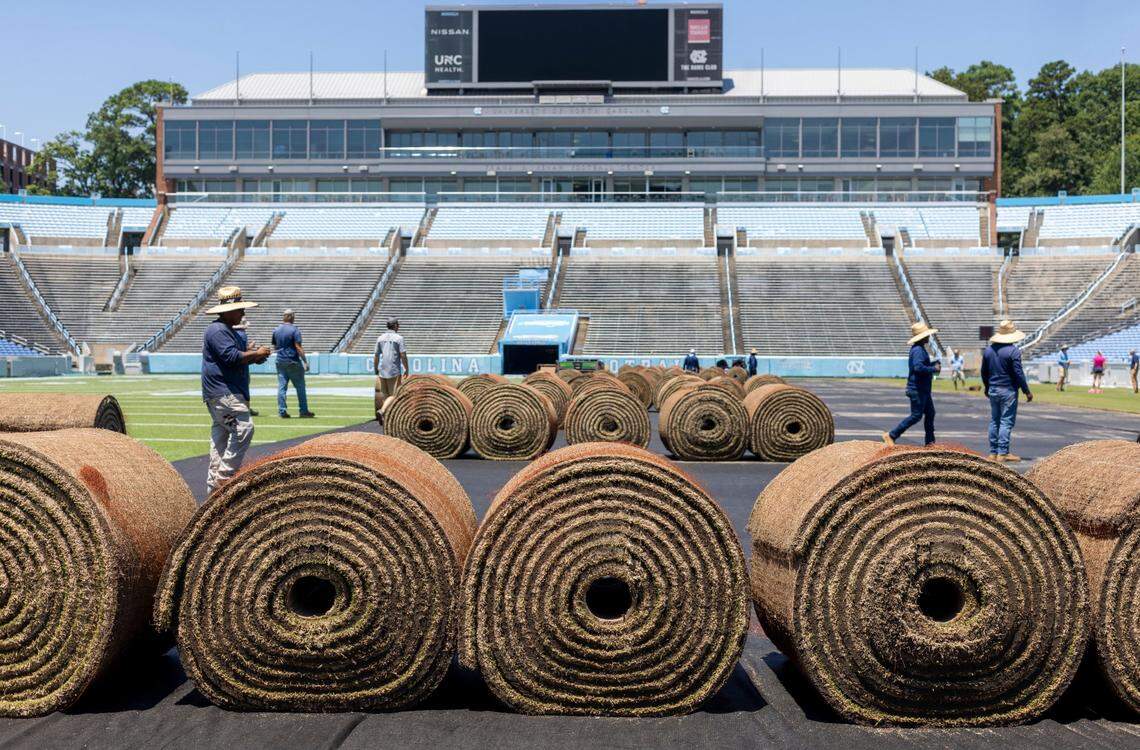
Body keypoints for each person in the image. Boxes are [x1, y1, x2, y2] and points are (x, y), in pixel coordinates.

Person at [201, 286, 271, 495]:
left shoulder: (225, 330)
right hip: (225, 393)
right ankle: (225, 478)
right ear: (229, 310)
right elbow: (231, 357)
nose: (243, 313)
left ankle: (214, 487)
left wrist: (255, 356)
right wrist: (255, 353)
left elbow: (235, 360)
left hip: (221, 393)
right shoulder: (218, 330)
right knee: (244, 429)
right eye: (240, 309)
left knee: (220, 437)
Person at [981, 319, 1033, 463]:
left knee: (994, 421)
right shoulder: (1013, 351)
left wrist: (986, 387)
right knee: (1006, 422)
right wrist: (1026, 391)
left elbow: (984, 372)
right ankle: (1003, 453)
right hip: (1008, 390)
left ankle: (993, 453)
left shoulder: (988, 350)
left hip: (993, 389)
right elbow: (1018, 373)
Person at [884, 322, 941, 447]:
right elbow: (918, 368)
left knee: (930, 413)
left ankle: (930, 443)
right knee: (916, 415)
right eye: (927, 335)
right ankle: (892, 435)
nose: (929, 337)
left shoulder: (920, 349)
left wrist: (932, 365)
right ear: (922, 337)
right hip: (917, 389)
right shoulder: (918, 351)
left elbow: (920, 366)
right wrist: (933, 369)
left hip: (923, 389)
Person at [272, 309, 314, 419]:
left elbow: (275, 347)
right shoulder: (295, 330)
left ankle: (282, 411)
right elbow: (298, 347)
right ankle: (303, 411)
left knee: (282, 387)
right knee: (300, 387)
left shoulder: (276, 330)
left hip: (280, 361)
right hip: (293, 361)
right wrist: (305, 361)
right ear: (291, 317)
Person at [373, 317, 409, 424]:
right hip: (393, 370)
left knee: (385, 395)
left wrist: (376, 368)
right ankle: (383, 411)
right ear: (395, 326)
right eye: (398, 324)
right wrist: (406, 368)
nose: (399, 326)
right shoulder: (399, 338)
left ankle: (386, 417)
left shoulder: (380, 338)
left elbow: (376, 356)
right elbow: (403, 355)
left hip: (382, 370)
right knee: (394, 395)